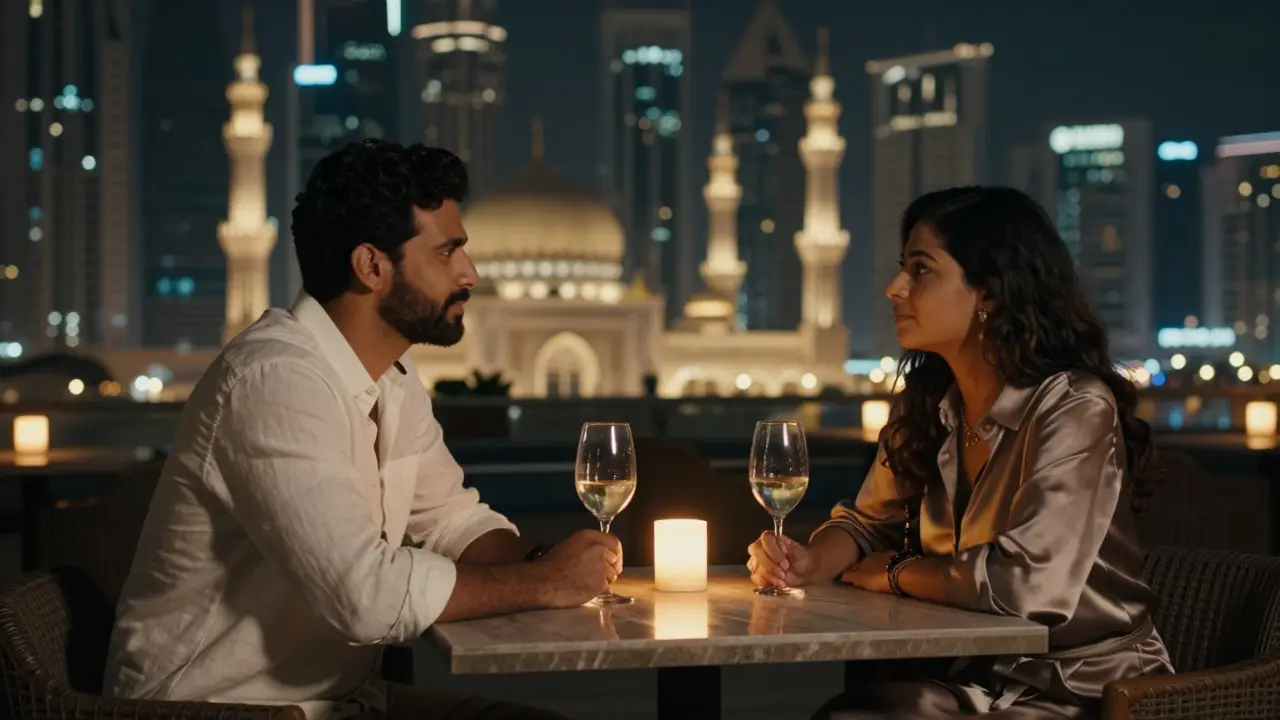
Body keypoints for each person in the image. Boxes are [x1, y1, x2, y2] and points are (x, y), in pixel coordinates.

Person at [104, 140, 620, 720]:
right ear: (372, 266)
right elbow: (364, 598)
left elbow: (450, 520)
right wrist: (544, 584)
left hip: (336, 702)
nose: (470, 275)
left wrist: (544, 562)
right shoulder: (276, 381)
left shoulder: (390, 378)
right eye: (448, 253)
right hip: (216, 708)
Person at [747, 186, 1174, 719]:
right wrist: (809, 562)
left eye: (921, 270)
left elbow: (1027, 586)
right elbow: (866, 526)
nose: (894, 288)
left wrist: (898, 572)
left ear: (989, 293)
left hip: (1086, 690)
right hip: (974, 675)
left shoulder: (1073, 407)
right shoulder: (927, 407)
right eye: (903, 267)